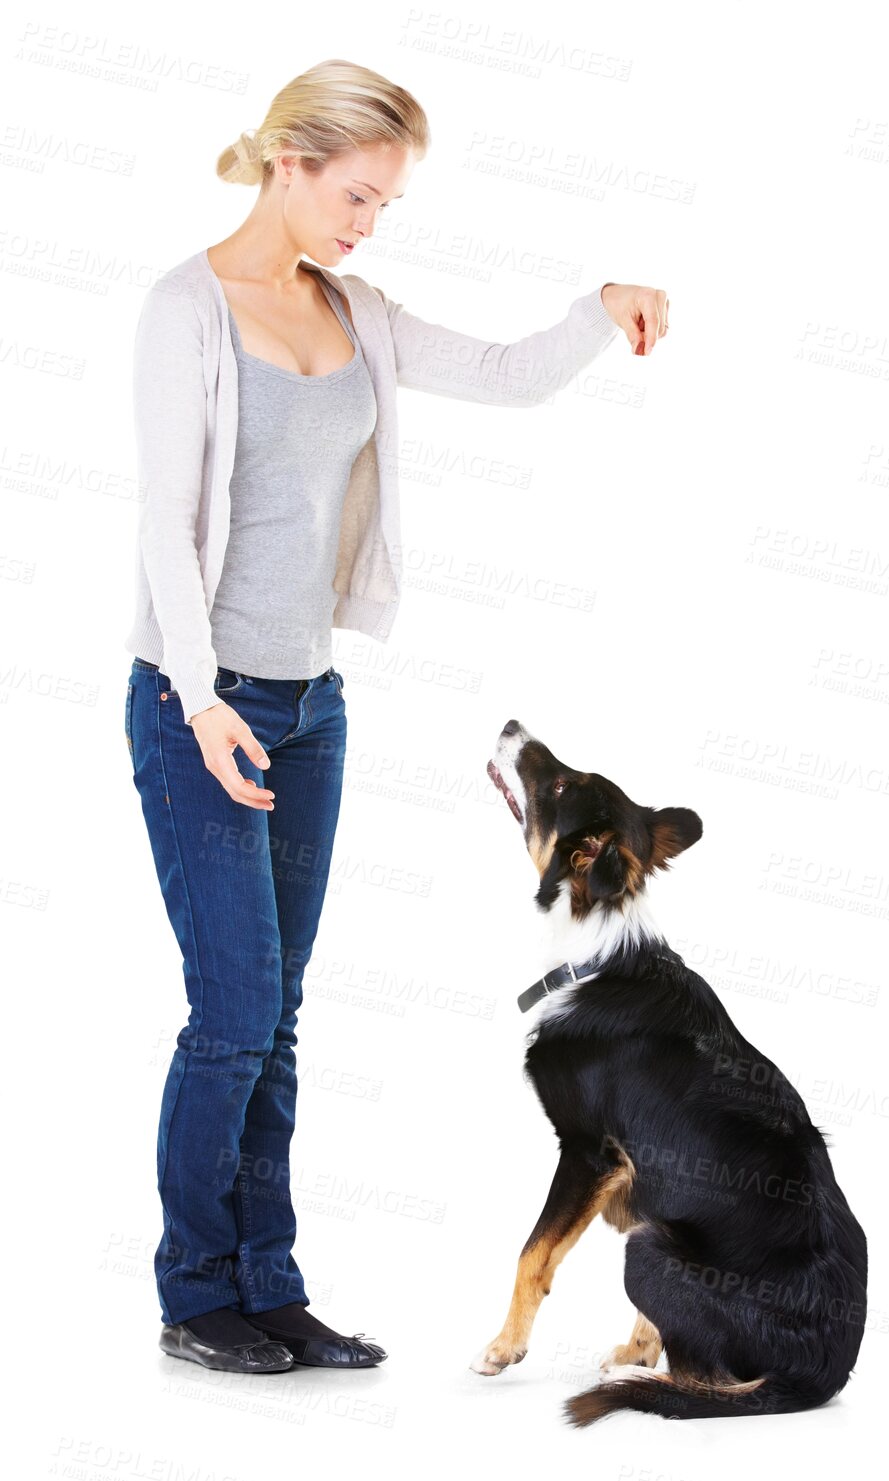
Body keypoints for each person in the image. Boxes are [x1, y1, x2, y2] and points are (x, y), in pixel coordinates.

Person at [123, 57, 669, 1374]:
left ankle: (271, 1281)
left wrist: (599, 308)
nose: (368, 225)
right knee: (232, 1011)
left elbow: (501, 372)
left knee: (281, 1013)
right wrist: (199, 702)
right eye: (357, 195)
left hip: (308, 707)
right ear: (290, 163)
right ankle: (197, 1292)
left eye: (386, 206)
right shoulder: (184, 309)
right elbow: (161, 522)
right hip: (201, 707)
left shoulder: (354, 309)